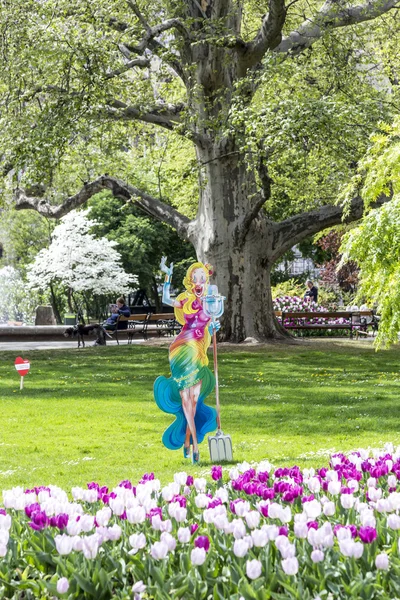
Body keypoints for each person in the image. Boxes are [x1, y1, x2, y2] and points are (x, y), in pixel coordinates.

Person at [154, 257, 220, 464]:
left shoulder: (210, 302)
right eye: (195, 278)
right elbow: (166, 300)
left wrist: (213, 328)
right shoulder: (186, 298)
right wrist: (167, 275)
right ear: (190, 281)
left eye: (202, 277)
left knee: (193, 399)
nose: (199, 281)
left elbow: (210, 325)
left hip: (199, 351)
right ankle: (196, 449)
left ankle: (186, 440)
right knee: (186, 397)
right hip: (183, 348)